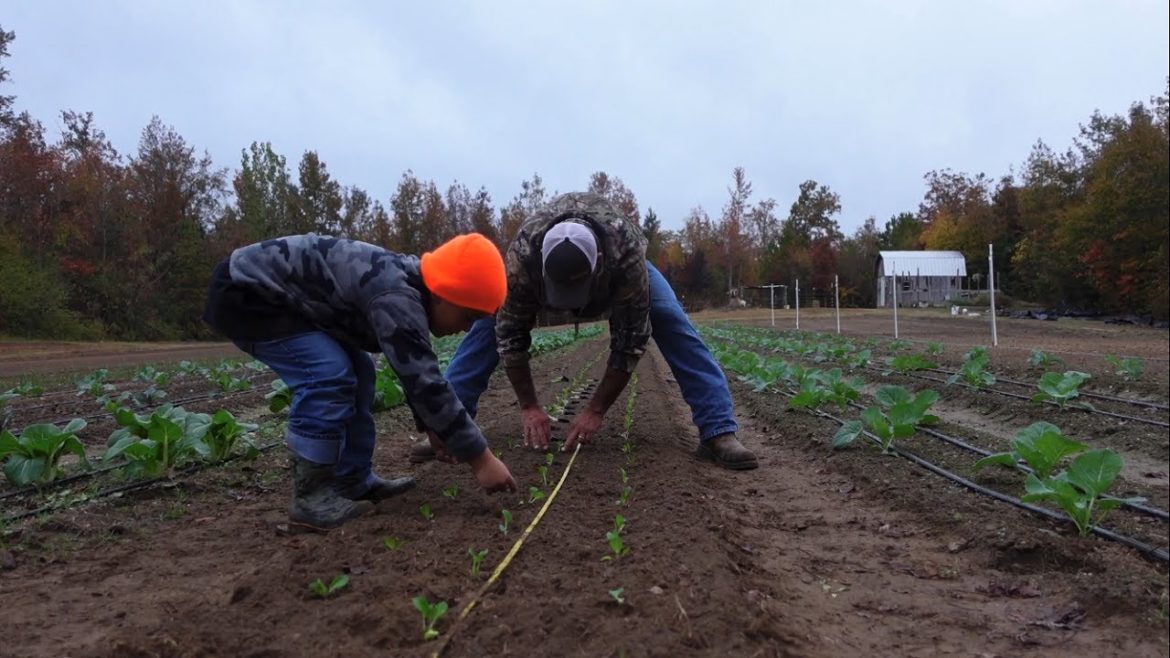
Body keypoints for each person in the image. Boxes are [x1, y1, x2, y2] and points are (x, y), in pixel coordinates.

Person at [413, 192, 758, 470]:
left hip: (622, 264)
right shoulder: (522, 260)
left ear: (598, 267)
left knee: (671, 319)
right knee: (488, 322)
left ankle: (718, 430)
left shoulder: (625, 256)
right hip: (535, 270)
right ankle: (447, 427)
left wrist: (595, 410)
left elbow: (630, 342)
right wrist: (530, 406)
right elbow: (510, 336)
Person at [204, 233, 518, 532]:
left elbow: (412, 371)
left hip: (287, 301)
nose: (465, 330)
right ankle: (310, 498)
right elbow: (425, 382)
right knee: (327, 374)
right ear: (441, 294)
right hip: (249, 293)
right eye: (467, 318)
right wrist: (481, 459)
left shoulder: (410, 286)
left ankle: (351, 479)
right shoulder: (397, 296)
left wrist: (435, 426)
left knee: (361, 370)